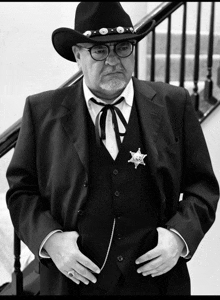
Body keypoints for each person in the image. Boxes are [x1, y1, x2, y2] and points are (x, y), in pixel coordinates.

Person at [6, 2, 219, 296]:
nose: (113, 60)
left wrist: (179, 238)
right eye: (99, 50)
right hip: (73, 284)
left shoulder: (174, 105)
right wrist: (50, 241)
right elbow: (21, 192)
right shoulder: (42, 112)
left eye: (123, 47)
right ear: (77, 55)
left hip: (157, 284)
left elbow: (203, 186)